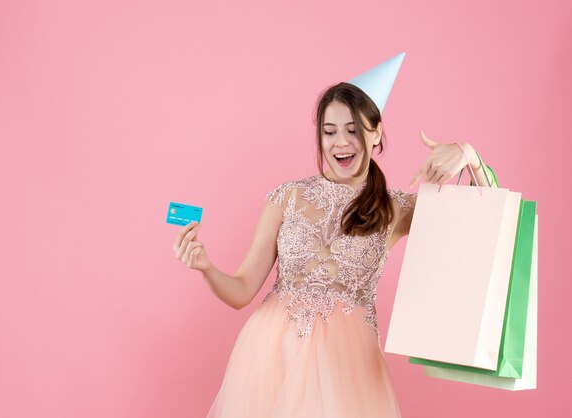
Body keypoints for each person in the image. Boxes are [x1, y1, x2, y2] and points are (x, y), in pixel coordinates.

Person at [172, 55, 496, 417]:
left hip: (349, 371)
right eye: (329, 131)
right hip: (270, 362)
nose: (340, 142)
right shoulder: (287, 197)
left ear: (375, 133)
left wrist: (468, 156)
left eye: (353, 129)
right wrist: (206, 267)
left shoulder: (395, 208)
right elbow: (241, 290)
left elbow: (488, 218)